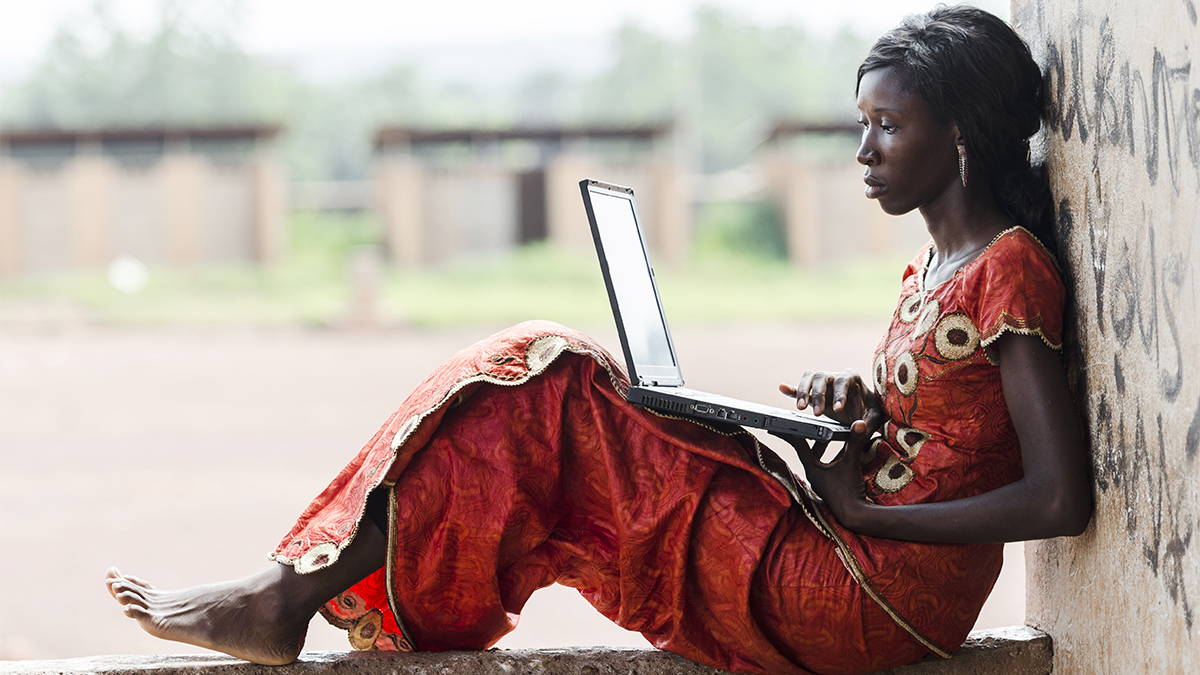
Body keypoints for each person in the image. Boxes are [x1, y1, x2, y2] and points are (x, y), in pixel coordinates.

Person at [105, 6, 1092, 675]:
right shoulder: (941, 265)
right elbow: (950, 435)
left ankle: (291, 591)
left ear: (957, 136)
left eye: (888, 126)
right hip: (847, 538)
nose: (863, 152)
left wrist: (869, 515)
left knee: (550, 373)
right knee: (562, 392)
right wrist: (861, 419)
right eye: (862, 124)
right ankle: (295, 591)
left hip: (870, 595)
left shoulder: (1010, 270)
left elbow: (1055, 495)